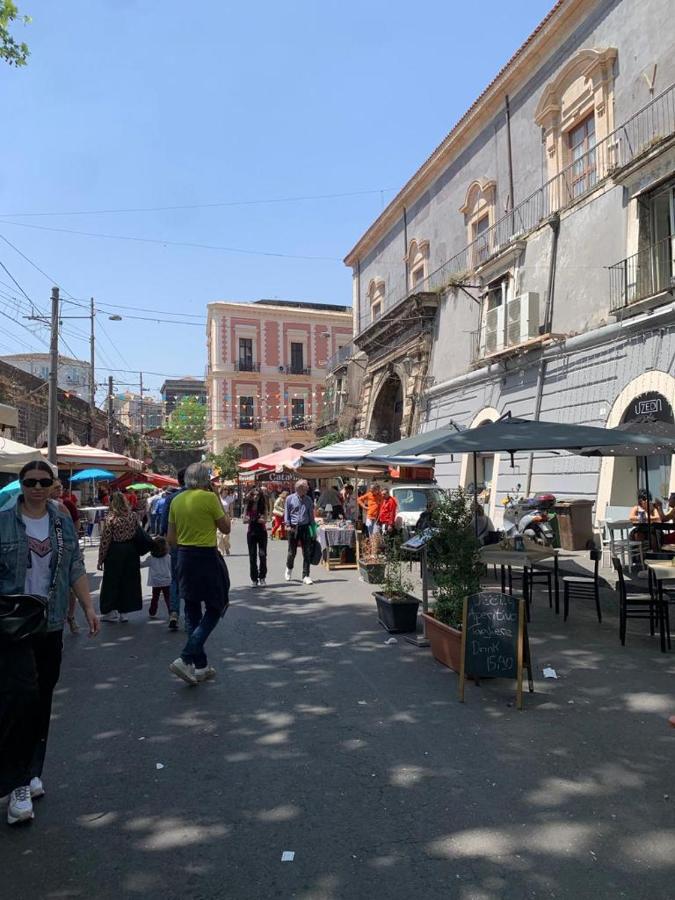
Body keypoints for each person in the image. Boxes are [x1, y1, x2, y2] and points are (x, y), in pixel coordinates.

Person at [0, 460, 99, 826]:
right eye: (31, 482)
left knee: (42, 699)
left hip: (51, 622)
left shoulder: (60, 522)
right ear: (21, 484)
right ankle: (18, 783)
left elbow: (74, 565)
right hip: (12, 625)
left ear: (54, 485)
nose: (37, 488)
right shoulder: (4, 520)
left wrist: (89, 607)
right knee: (21, 698)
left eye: (44, 482)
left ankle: (31, 769)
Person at [167, 463, 231, 685]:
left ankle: (201, 665)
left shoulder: (176, 500)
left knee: (192, 609)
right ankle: (186, 658)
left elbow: (171, 539)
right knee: (217, 605)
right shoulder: (209, 498)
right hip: (206, 556)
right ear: (205, 480)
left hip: (184, 556)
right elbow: (225, 528)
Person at [97, 493, 153, 623]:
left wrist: (100, 559)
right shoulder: (132, 516)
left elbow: (105, 540)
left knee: (111, 582)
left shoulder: (111, 518)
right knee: (128, 581)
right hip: (131, 551)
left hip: (115, 551)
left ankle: (110, 611)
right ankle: (124, 612)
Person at [158, 469, 187, 631]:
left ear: (178, 480)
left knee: (175, 579)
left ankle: (174, 612)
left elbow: (163, 525)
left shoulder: (171, 499)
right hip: (196, 544)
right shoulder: (201, 497)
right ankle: (191, 614)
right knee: (191, 578)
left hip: (176, 544)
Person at [284, 479, 315, 585]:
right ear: (298, 489)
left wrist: (313, 530)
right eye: (305, 488)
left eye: (307, 489)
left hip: (305, 527)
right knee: (292, 552)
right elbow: (287, 513)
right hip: (293, 527)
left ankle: (306, 575)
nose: (307, 490)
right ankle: (289, 567)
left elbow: (311, 516)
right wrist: (287, 525)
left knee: (306, 552)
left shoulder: (309, 500)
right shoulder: (289, 499)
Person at [141, 537, 173, 617]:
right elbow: (172, 568)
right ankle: (171, 612)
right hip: (166, 580)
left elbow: (142, 564)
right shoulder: (168, 557)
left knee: (155, 597)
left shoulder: (151, 558)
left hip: (155, 581)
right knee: (168, 598)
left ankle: (152, 611)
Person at [245, 488, 268, 586]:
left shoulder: (263, 506)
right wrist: (252, 519)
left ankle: (262, 577)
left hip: (261, 532)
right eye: (253, 495)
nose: (255, 497)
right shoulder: (248, 506)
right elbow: (244, 520)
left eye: (257, 495)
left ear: (260, 496)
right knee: (252, 556)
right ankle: (254, 579)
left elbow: (265, 520)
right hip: (251, 533)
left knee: (262, 555)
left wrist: (256, 519)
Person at [217, 487, 232, 557]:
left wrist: (232, 517)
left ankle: (226, 547)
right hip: (219, 516)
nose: (226, 491)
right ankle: (221, 551)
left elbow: (231, 508)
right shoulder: (217, 498)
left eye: (227, 490)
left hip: (226, 516)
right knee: (219, 535)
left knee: (226, 535)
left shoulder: (229, 498)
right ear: (221, 491)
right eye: (225, 490)